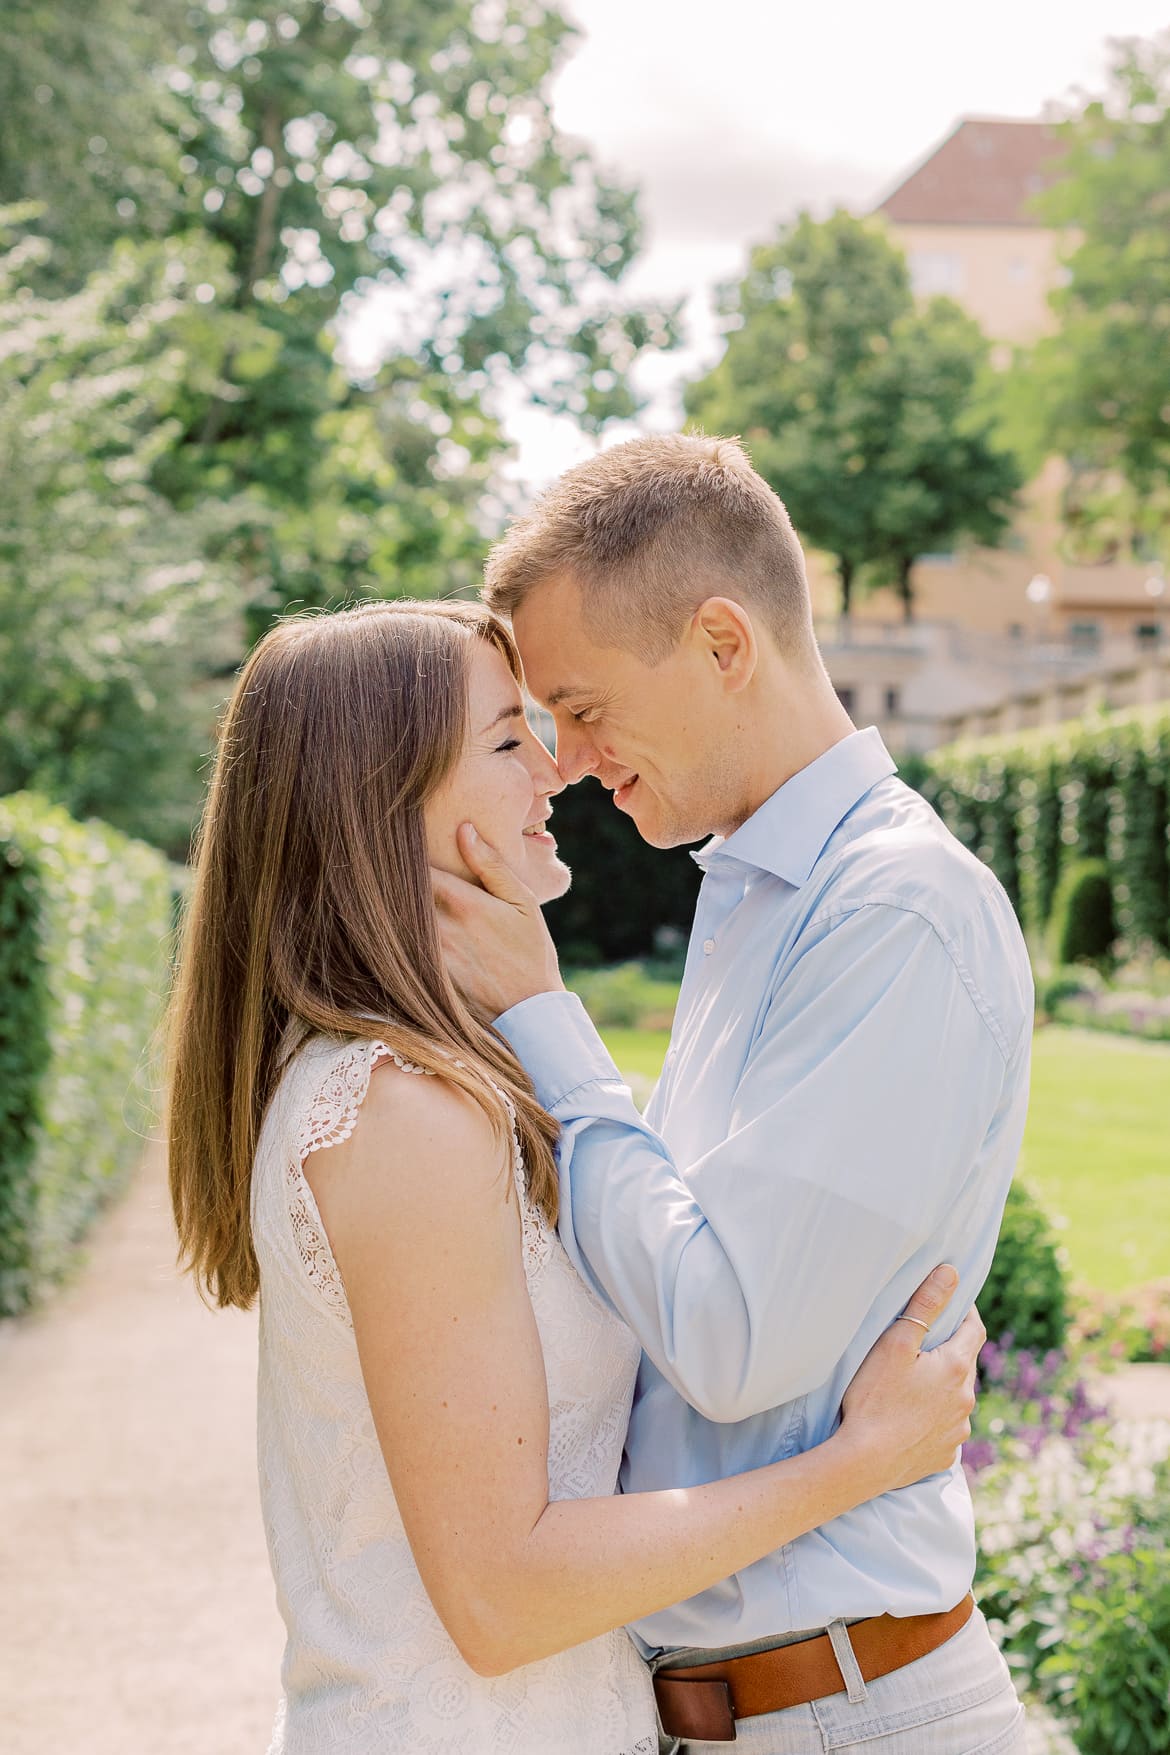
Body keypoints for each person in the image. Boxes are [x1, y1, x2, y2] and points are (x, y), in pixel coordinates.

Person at [167, 599, 981, 1755]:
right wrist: (858, 1462)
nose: (557, 770)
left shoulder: (427, 1083)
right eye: (508, 741)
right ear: (383, 804)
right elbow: (505, 1599)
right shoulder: (404, 1114)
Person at [432, 434, 1035, 1753]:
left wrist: (542, 1015)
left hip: (850, 1713)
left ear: (721, 640)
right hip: (754, 1709)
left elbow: (725, 1337)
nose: (570, 760)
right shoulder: (756, 891)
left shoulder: (896, 912)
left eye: (581, 706)